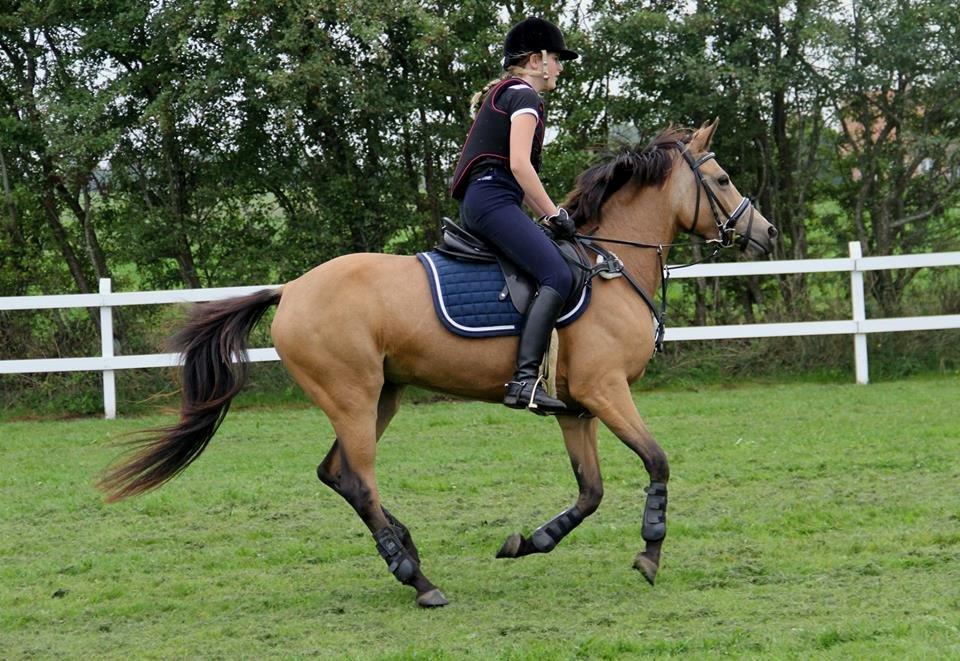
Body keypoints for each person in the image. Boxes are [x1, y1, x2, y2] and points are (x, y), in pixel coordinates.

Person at [450, 17, 579, 414]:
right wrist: (556, 213)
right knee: (558, 274)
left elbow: (516, 176)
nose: (559, 67)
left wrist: (544, 216)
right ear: (537, 59)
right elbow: (522, 168)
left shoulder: (506, 93)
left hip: (488, 198)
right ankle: (524, 381)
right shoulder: (525, 97)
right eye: (556, 59)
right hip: (492, 199)